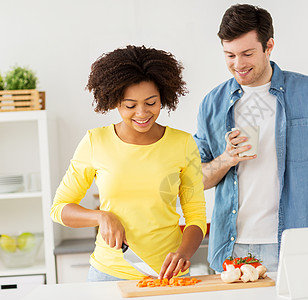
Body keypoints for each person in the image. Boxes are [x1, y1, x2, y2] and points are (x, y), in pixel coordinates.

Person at [193, 4, 308, 273]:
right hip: (231, 248)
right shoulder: (212, 103)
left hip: (296, 244)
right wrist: (226, 159)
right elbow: (196, 178)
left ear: (269, 46)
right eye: (229, 55)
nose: (238, 64)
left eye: (247, 53)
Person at [50, 45, 207, 281]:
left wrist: (183, 253)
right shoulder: (96, 141)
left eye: (151, 103)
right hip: (109, 274)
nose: (142, 113)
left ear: (163, 97)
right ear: (114, 101)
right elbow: (60, 208)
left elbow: (195, 216)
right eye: (130, 105)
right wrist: (102, 217)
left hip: (170, 276)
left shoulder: (182, 143)